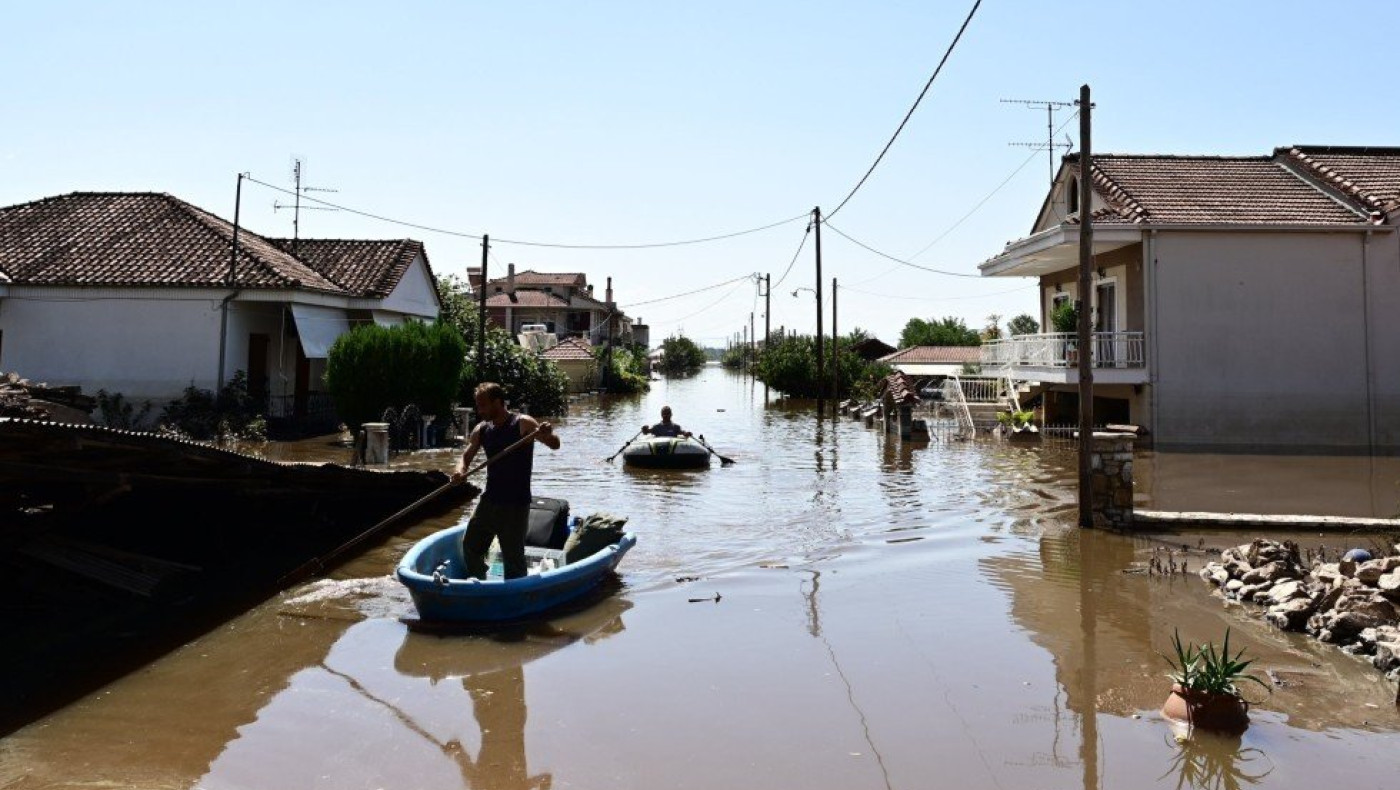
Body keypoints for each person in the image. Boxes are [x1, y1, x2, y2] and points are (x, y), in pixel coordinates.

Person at [451, 382, 560, 580]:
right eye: (478, 405)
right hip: (489, 501)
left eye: (483, 405)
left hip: (515, 506)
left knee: (514, 562)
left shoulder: (523, 423)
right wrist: (460, 472)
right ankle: (482, 585)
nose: (479, 410)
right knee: (471, 547)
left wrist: (547, 434)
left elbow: (555, 445)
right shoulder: (482, 430)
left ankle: (516, 599)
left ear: (498, 402)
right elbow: (465, 457)